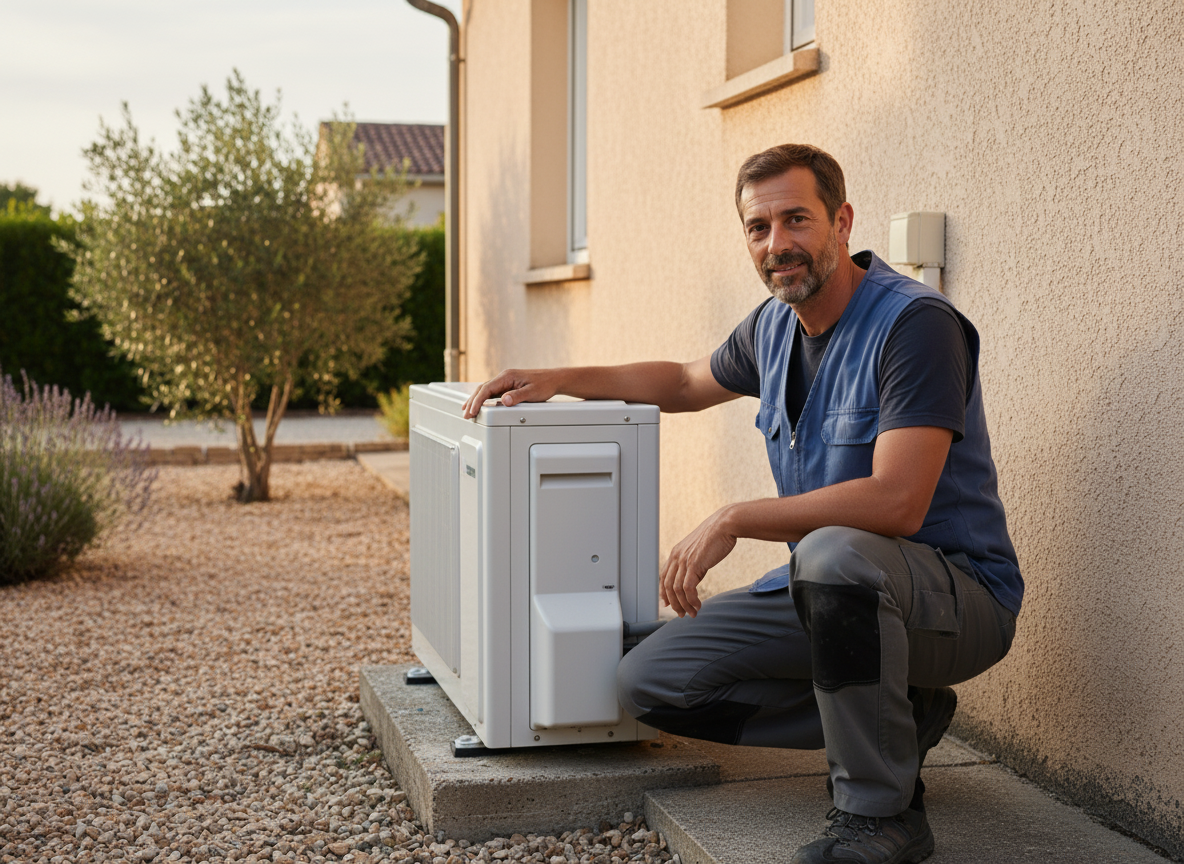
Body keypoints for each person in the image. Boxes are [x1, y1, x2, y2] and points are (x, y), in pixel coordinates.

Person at [461, 144, 1021, 864]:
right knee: (649, 680)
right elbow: (688, 382)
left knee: (833, 550)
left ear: (842, 221)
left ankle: (881, 816)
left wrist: (733, 517)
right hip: (838, 591)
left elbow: (898, 501)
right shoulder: (773, 326)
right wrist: (558, 378)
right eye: (759, 228)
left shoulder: (915, 326)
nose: (777, 244)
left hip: (956, 599)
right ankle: (899, 720)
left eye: (797, 220)